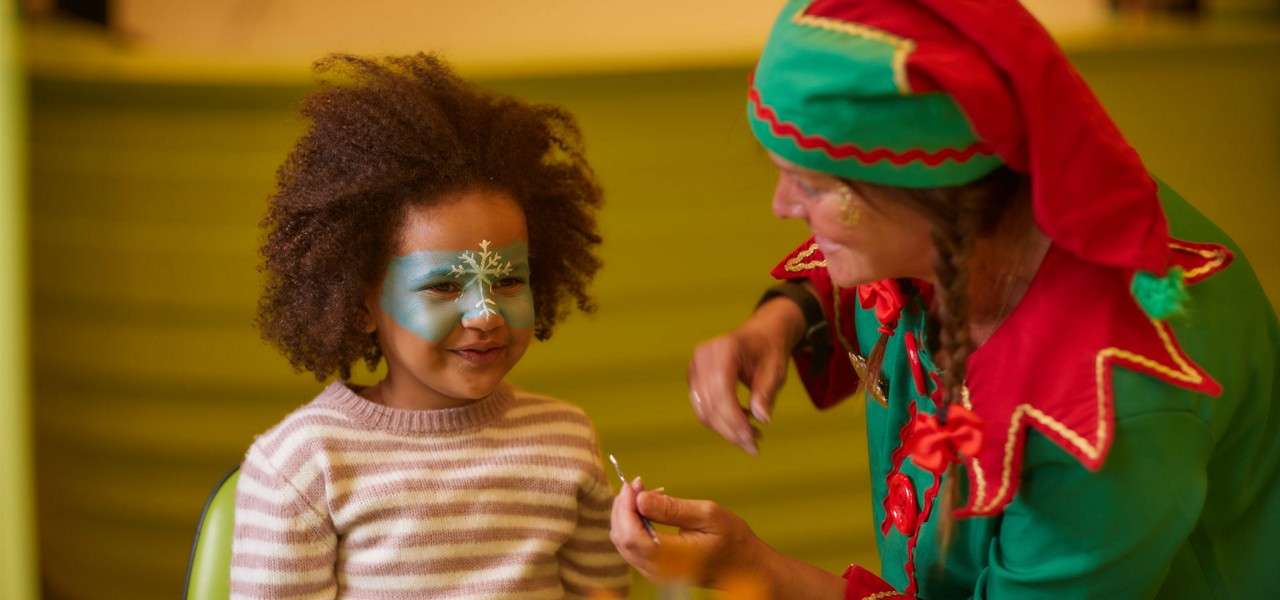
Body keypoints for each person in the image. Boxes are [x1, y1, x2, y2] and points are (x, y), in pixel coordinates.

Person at [610, 1, 1280, 598]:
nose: (782, 206)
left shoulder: (1108, 413)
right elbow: (862, 264)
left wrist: (756, 572)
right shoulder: (993, 207)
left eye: (810, 186)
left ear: (930, 195)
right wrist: (783, 316)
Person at [231, 54, 629, 599]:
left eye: (509, 279)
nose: (485, 314)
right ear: (360, 303)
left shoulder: (566, 440)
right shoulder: (303, 464)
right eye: (443, 285)